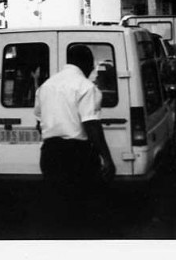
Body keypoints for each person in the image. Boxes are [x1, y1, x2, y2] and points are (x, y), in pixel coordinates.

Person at [34, 44, 116, 237]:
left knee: (58, 209)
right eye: (92, 66)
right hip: (78, 154)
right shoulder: (86, 87)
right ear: (86, 63)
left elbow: (39, 122)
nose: (92, 71)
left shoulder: (46, 86)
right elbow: (92, 126)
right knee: (83, 209)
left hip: (50, 153)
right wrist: (108, 159)